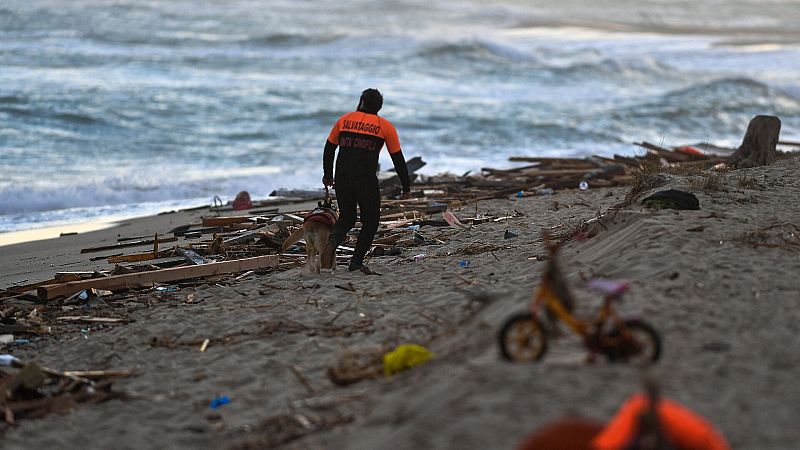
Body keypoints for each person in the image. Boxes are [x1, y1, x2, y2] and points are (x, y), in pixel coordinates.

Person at [320, 88, 411, 273]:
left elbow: (329, 149)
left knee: (347, 217)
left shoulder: (344, 120)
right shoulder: (385, 126)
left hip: (342, 177)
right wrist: (406, 186)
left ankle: (332, 243)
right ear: (379, 107)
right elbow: (398, 159)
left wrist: (328, 175)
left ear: (361, 102)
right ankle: (356, 263)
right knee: (370, 222)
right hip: (365, 180)